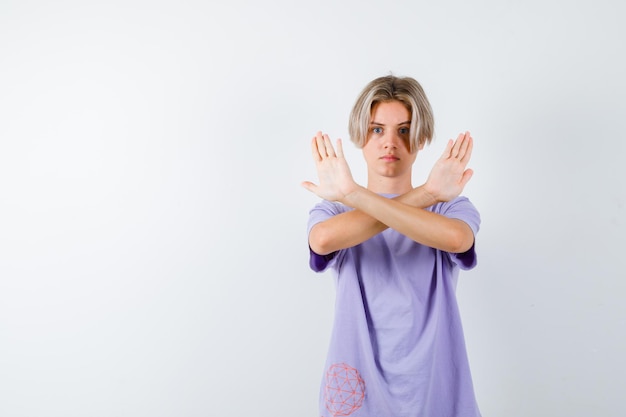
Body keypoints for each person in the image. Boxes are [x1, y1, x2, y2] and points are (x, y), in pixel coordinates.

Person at [301, 75, 482, 417]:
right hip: (358, 394)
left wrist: (361, 193)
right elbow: (322, 240)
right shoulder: (335, 209)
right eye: (376, 130)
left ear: (421, 137)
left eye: (403, 130)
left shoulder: (450, 207)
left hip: (434, 391)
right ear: (360, 136)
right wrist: (423, 193)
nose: (389, 143)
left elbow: (458, 239)